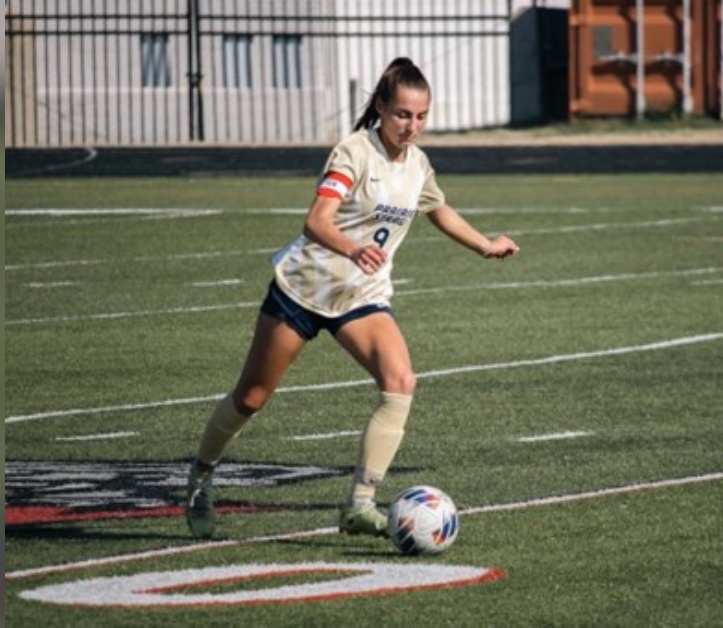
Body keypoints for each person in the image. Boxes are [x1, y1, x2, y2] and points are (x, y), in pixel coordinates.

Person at [185, 57, 519, 539]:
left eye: (422, 116)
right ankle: (199, 478)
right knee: (251, 397)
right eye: (403, 114)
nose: (413, 125)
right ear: (381, 107)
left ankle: (359, 503)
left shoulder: (418, 164)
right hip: (303, 289)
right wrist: (352, 247)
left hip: (362, 296)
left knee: (400, 380)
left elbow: (439, 209)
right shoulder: (354, 152)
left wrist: (485, 244)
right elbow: (316, 221)